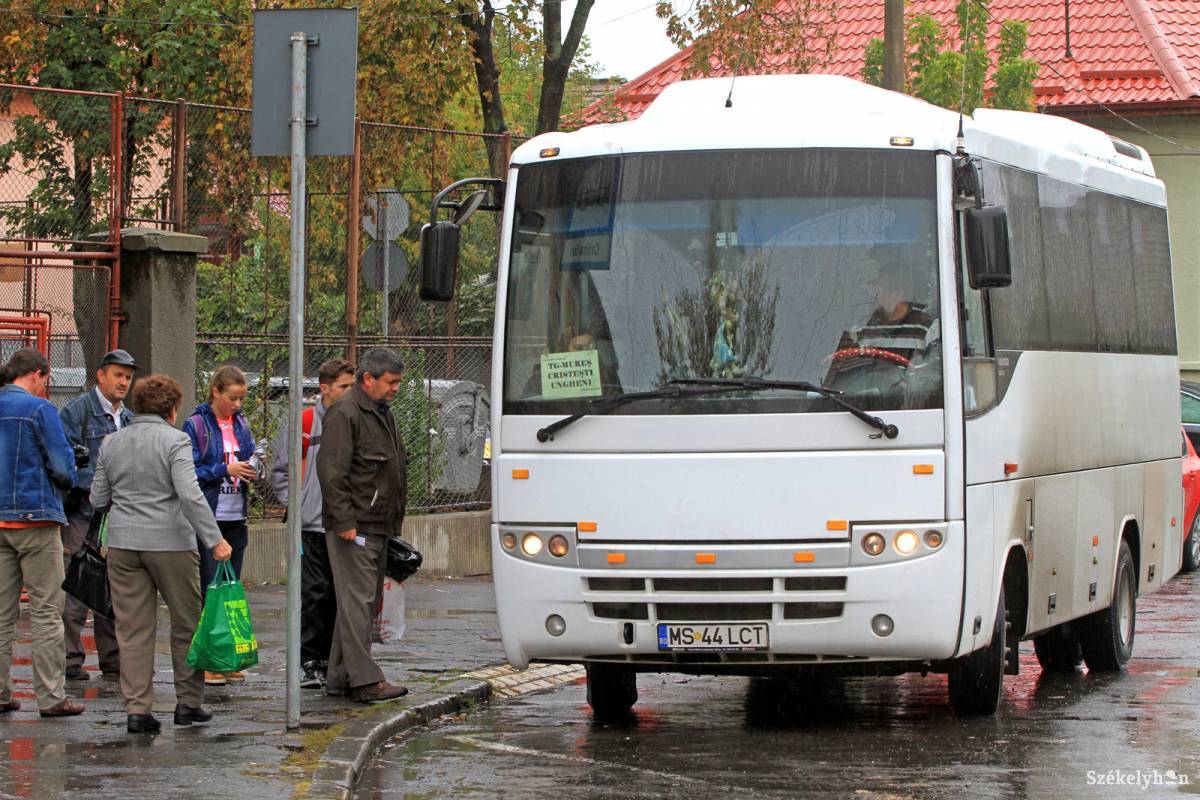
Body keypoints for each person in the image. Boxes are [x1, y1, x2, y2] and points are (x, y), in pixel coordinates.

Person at [91, 373, 233, 733]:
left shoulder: (112, 442)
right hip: (171, 543)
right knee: (186, 623)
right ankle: (188, 704)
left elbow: (97, 498)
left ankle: (137, 710)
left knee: (132, 630)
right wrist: (215, 539)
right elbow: (189, 493)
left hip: (123, 545)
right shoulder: (176, 441)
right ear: (172, 409)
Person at [316, 348, 410, 703]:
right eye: (391, 382)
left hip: (376, 523)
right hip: (356, 526)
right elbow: (331, 470)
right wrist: (343, 521)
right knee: (358, 603)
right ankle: (365, 680)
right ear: (368, 379)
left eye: (398, 382)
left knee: (361, 603)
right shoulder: (346, 412)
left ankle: (341, 676)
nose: (396, 388)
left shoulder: (380, 412)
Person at [0, 348, 84, 717]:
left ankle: (1, 694)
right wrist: (72, 477)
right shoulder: (40, 409)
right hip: (37, 521)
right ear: (37, 374)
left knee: (2, 616)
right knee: (47, 612)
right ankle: (51, 697)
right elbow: (63, 467)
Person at [269, 358, 355, 689]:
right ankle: (309, 660)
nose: (349, 392)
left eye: (352, 386)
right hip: (310, 526)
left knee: (339, 595)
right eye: (344, 386)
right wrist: (297, 504)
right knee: (313, 593)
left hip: (342, 525)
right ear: (325, 388)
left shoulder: (352, 420)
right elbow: (280, 469)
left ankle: (333, 661)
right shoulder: (305, 422)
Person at [57, 348, 137, 681]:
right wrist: (105, 489)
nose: (124, 382)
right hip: (84, 512)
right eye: (118, 375)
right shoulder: (77, 412)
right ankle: (71, 659)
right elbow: (69, 464)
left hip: (117, 518)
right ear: (100, 376)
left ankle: (112, 658)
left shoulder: (130, 419)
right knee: (77, 586)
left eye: (129, 377)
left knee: (113, 587)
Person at [182, 365, 259, 687]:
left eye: (242, 399)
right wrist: (223, 468)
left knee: (230, 590)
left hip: (235, 516)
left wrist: (255, 466)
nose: (238, 405)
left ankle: (226, 658)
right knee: (211, 589)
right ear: (215, 392)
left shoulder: (241, 424)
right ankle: (209, 661)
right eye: (233, 398)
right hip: (209, 518)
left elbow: (252, 455)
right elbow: (189, 471)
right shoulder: (196, 425)